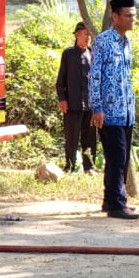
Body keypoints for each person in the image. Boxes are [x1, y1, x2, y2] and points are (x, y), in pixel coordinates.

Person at [89, 0, 139, 220]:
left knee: (121, 158)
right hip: (108, 112)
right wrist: (96, 107)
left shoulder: (126, 42)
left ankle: (110, 200)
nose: (132, 19)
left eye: (134, 15)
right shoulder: (103, 41)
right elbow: (94, 76)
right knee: (117, 158)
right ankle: (117, 205)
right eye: (128, 15)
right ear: (115, 16)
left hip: (126, 111)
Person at [55, 21, 96, 173]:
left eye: (89, 35)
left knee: (90, 138)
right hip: (72, 104)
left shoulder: (92, 54)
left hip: (90, 105)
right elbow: (60, 81)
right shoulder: (68, 54)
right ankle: (70, 166)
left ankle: (89, 166)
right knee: (71, 138)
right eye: (85, 34)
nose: (88, 38)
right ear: (77, 35)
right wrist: (62, 99)